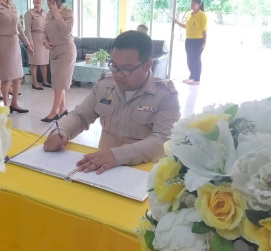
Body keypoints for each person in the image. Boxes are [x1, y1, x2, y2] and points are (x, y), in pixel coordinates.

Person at [43, 30, 180, 174]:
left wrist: (117, 155)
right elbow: (80, 115)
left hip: (142, 173)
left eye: (126, 69)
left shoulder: (165, 96)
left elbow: (163, 140)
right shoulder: (105, 86)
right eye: (114, 66)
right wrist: (60, 132)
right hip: (102, 170)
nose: (118, 75)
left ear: (147, 65)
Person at [41, 0, 76, 122]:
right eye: (47, 0)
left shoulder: (67, 12)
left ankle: (54, 112)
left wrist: (57, 14)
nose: (48, 3)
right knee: (57, 82)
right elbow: (44, 31)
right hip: (53, 51)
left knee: (59, 84)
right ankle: (63, 109)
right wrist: (45, 41)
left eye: (50, 0)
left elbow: (66, 30)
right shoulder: (48, 14)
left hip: (66, 50)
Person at [174, 0, 207, 85]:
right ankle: (191, 77)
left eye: (194, 3)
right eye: (191, 3)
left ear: (199, 5)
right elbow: (187, 26)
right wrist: (177, 22)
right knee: (189, 59)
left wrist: (204, 43)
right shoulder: (189, 14)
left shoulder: (202, 15)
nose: (191, 5)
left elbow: (205, 31)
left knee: (196, 59)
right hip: (189, 39)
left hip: (198, 40)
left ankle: (197, 79)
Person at [24, 0, 51, 90]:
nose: (37, 0)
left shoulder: (46, 13)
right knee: (34, 62)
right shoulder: (29, 13)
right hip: (34, 38)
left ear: (42, 1)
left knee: (44, 62)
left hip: (44, 39)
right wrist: (30, 43)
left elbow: (48, 27)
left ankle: (45, 81)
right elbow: (27, 30)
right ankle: (35, 83)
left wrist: (49, 40)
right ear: (33, 1)